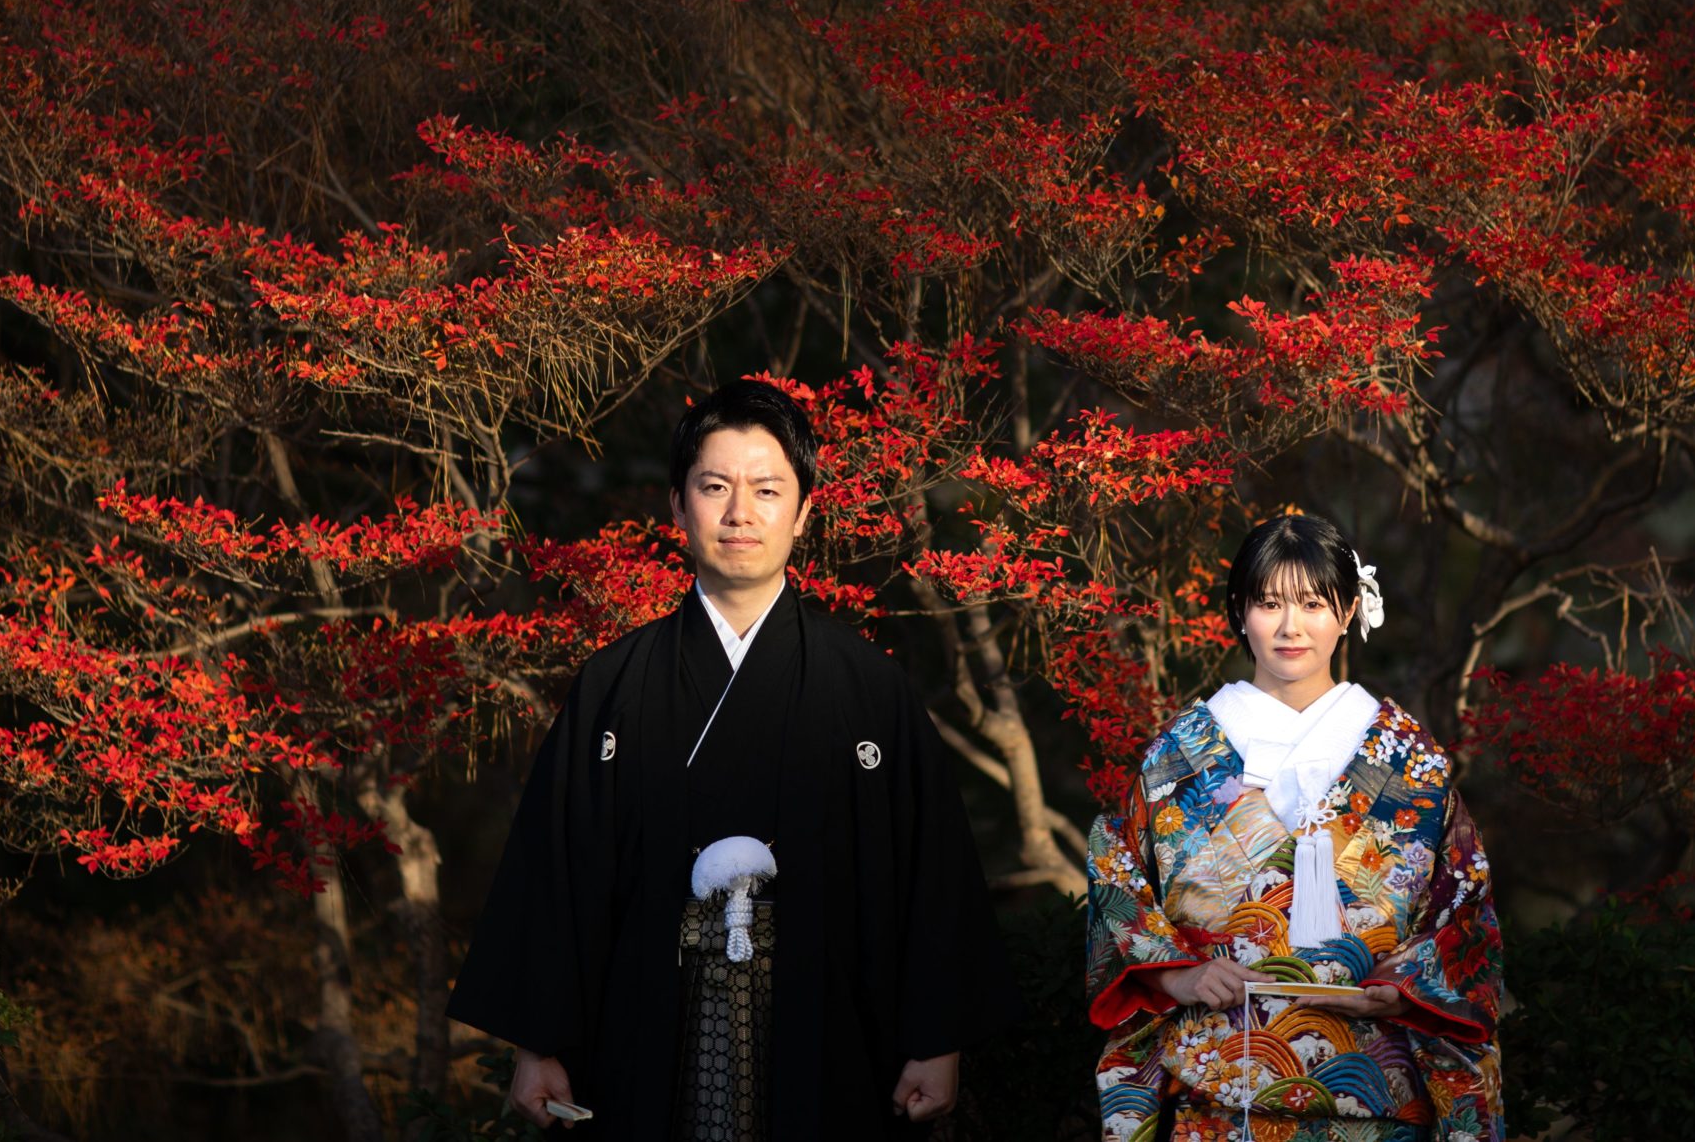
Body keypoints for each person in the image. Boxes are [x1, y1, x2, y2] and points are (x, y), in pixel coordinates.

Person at [448, 377, 1018, 1137]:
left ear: (805, 511)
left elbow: (929, 874)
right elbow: (559, 875)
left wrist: (935, 1040)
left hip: (827, 1032)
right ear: (679, 507)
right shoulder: (614, 686)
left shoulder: (868, 688)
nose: (739, 512)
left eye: (767, 490)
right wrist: (539, 1044)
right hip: (648, 1029)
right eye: (714, 486)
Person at [1085, 513, 1506, 1141]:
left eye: (1312, 603)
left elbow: (1464, 914)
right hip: (1220, 1102)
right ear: (1238, 611)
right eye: (1268, 603)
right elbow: (1118, 891)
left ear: (1350, 609)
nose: (1290, 627)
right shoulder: (1178, 754)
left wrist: (1404, 988)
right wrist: (1180, 974)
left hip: (1377, 1096)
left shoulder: (1407, 759)